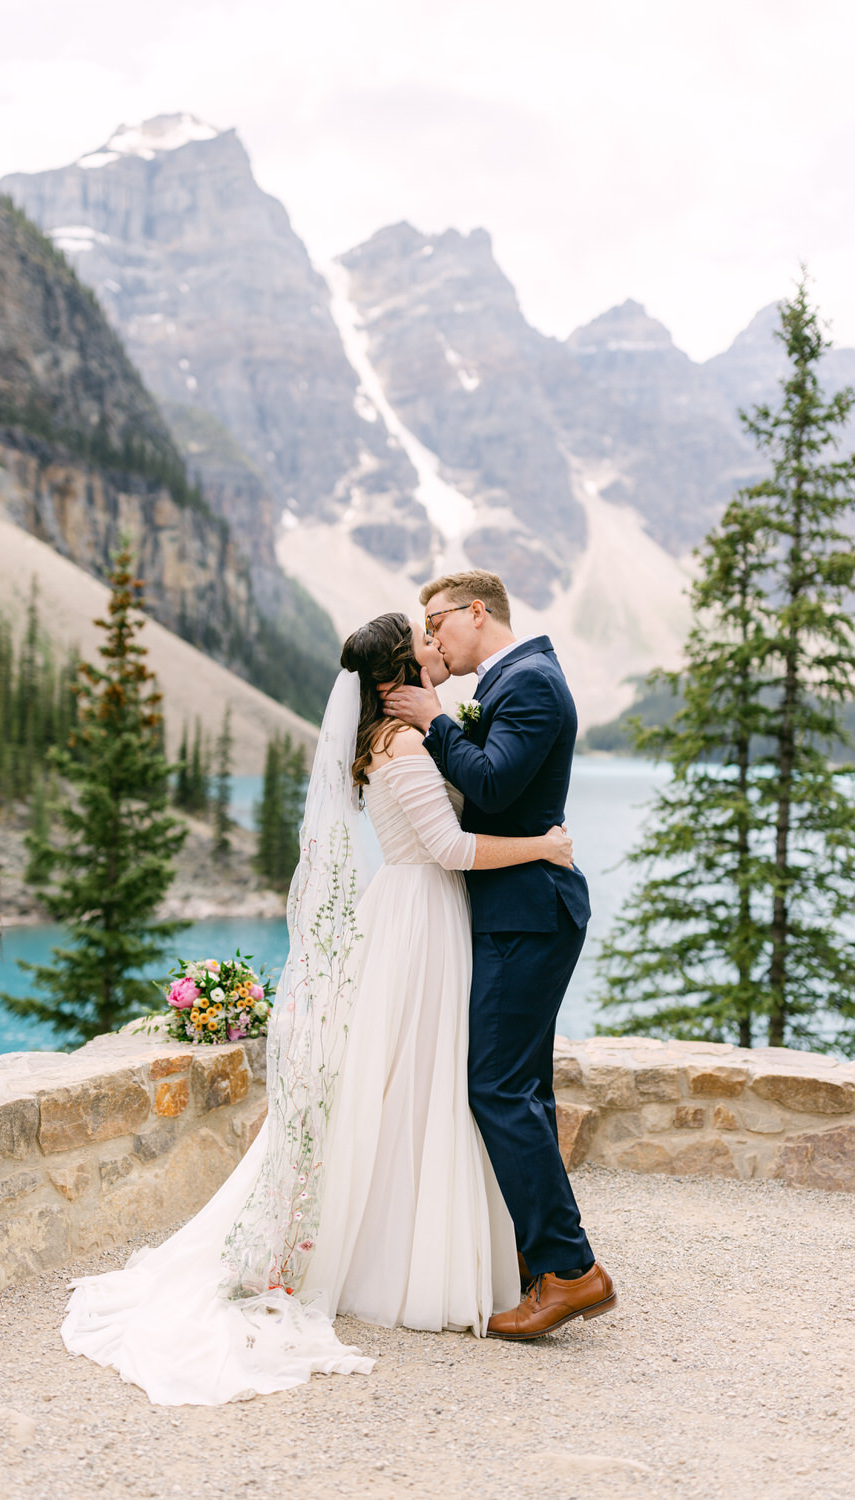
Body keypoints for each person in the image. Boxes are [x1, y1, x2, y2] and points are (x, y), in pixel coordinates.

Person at [61, 611, 578, 1404]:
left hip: (416, 915)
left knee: (415, 1083)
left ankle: (447, 1247)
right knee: (420, 1085)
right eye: (421, 647)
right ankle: (410, 1259)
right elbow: (448, 849)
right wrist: (543, 846)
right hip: (422, 919)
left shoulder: (394, 738)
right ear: (391, 680)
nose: (435, 652)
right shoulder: (405, 742)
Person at [383, 569, 616, 1339]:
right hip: (516, 913)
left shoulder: (532, 683)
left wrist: (433, 720)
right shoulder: (513, 680)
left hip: (527, 915)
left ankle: (571, 1270)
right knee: (523, 1089)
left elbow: (491, 779)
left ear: (474, 612)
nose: (432, 635)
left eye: (435, 620)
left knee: (494, 1088)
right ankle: (536, 1260)